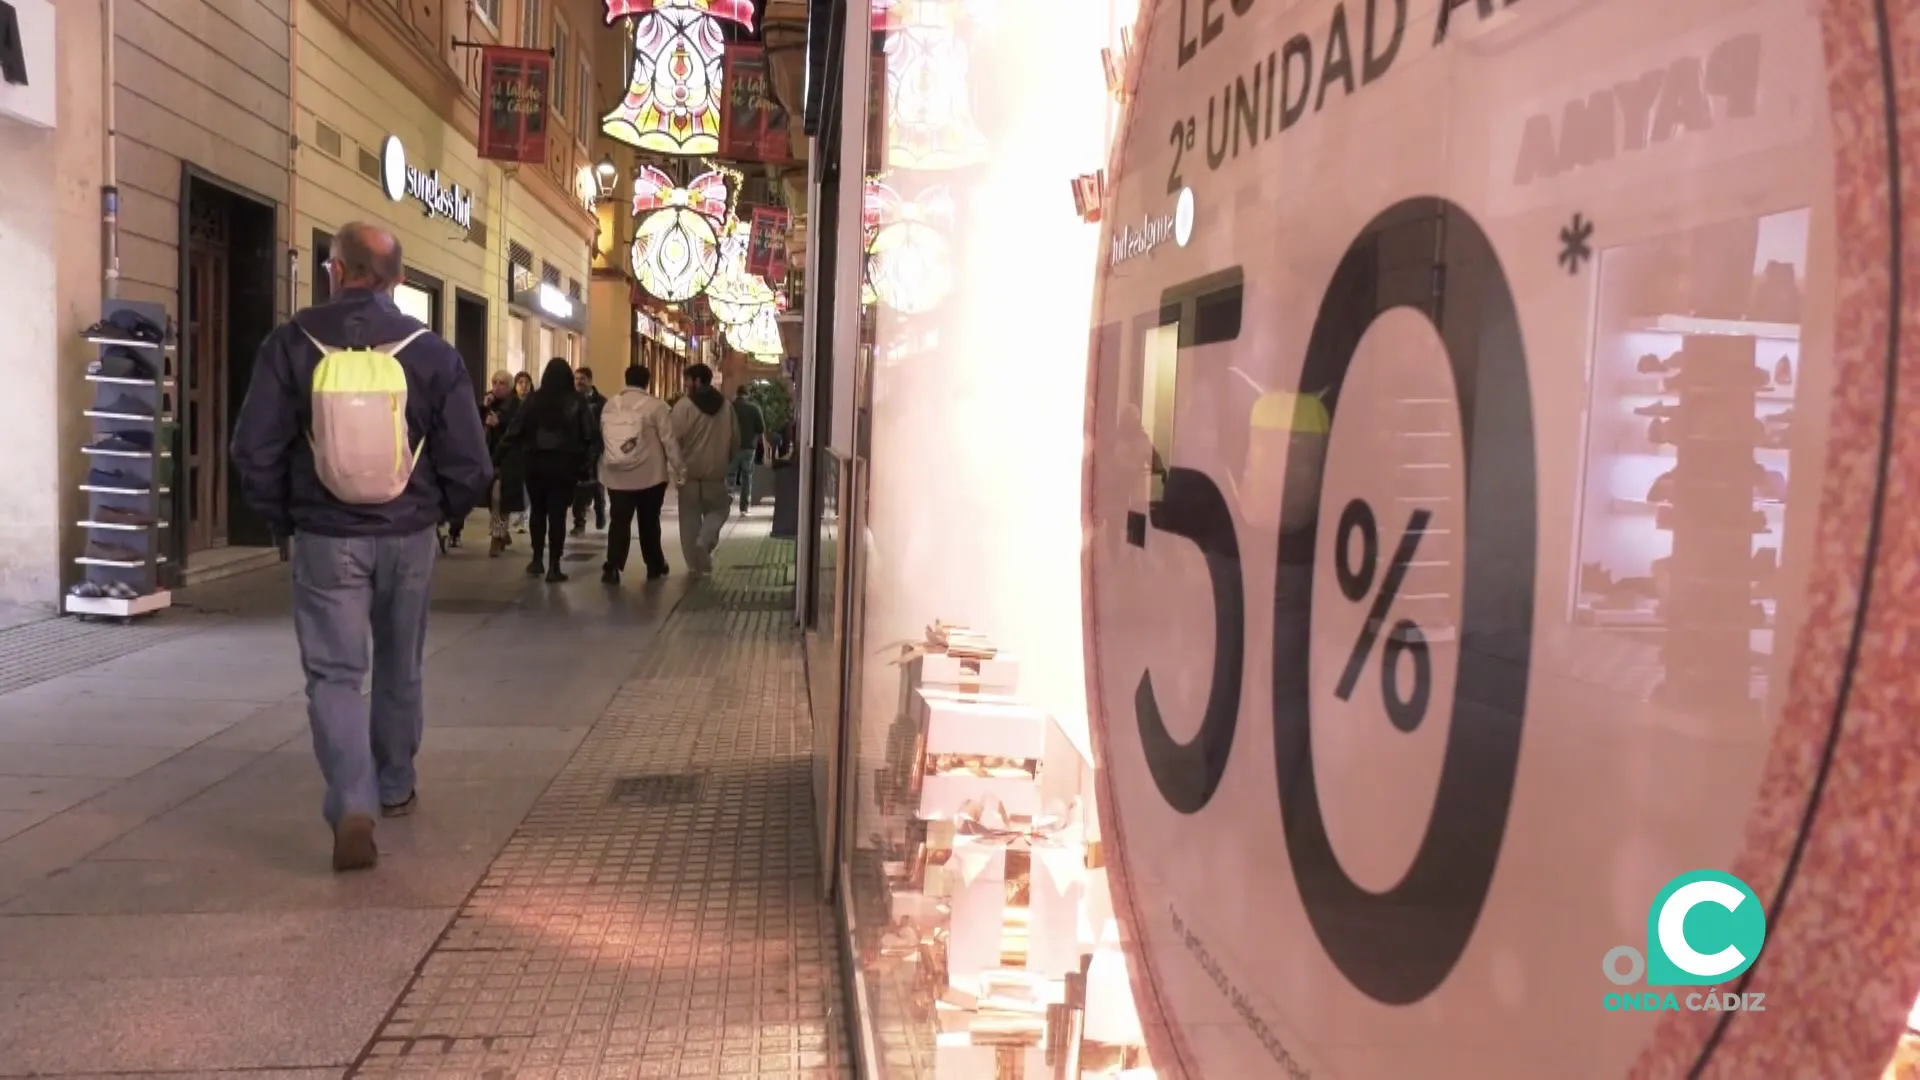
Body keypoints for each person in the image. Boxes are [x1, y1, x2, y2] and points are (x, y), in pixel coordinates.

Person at [229, 220, 491, 873]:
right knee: (401, 663)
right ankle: (395, 783)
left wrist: (284, 519)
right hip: (407, 536)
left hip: (326, 534)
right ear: (399, 279)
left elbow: (252, 449)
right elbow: (470, 463)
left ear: (335, 270)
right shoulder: (432, 354)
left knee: (335, 674)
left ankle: (353, 800)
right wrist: (436, 514)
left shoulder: (290, 344)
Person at [499, 358, 598, 582]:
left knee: (538, 511)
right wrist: (585, 462)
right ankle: (554, 565)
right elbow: (590, 434)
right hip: (565, 465)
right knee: (558, 514)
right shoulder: (578, 401)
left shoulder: (533, 400)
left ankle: (536, 559)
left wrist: (496, 457)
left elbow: (514, 431)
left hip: (535, 463)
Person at [598, 365, 683, 584]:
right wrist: (679, 468)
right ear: (647, 382)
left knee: (619, 520)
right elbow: (669, 441)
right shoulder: (657, 407)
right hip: (650, 476)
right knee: (649, 521)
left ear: (626, 380)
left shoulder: (610, 405)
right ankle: (655, 564)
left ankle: (613, 566)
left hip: (617, 475)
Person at [669, 363, 738, 576]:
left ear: (697, 381)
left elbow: (672, 439)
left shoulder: (683, 406)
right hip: (715, 475)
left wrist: (677, 466)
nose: (686, 384)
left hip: (690, 475)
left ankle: (695, 566)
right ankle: (706, 539)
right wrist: (726, 462)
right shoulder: (726, 406)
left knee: (689, 521)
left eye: (688, 380)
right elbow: (735, 440)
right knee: (719, 510)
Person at [481, 370, 524, 557]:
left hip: (507, 458)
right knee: (492, 498)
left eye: (502, 383)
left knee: (499, 497)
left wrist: (499, 424)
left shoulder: (516, 405)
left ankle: (496, 537)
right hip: (489, 456)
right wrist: (484, 409)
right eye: (494, 382)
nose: (497, 387)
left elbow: (518, 431)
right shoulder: (490, 403)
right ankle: (502, 531)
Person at [571, 366, 608, 536]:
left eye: (582, 379)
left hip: (596, 448)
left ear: (590, 381)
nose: (579, 382)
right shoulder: (571, 400)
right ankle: (579, 522)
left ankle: (600, 511)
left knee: (596, 484)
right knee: (578, 488)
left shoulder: (601, 402)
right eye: (576, 378)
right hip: (577, 449)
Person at [729, 384, 766, 514]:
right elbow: (761, 429)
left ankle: (727, 500)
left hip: (732, 447)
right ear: (747, 395)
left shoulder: (729, 408)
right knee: (747, 477)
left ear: (737, 394)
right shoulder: (754, 408)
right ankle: (743, 508)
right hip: (749, 448)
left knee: (730, 475)